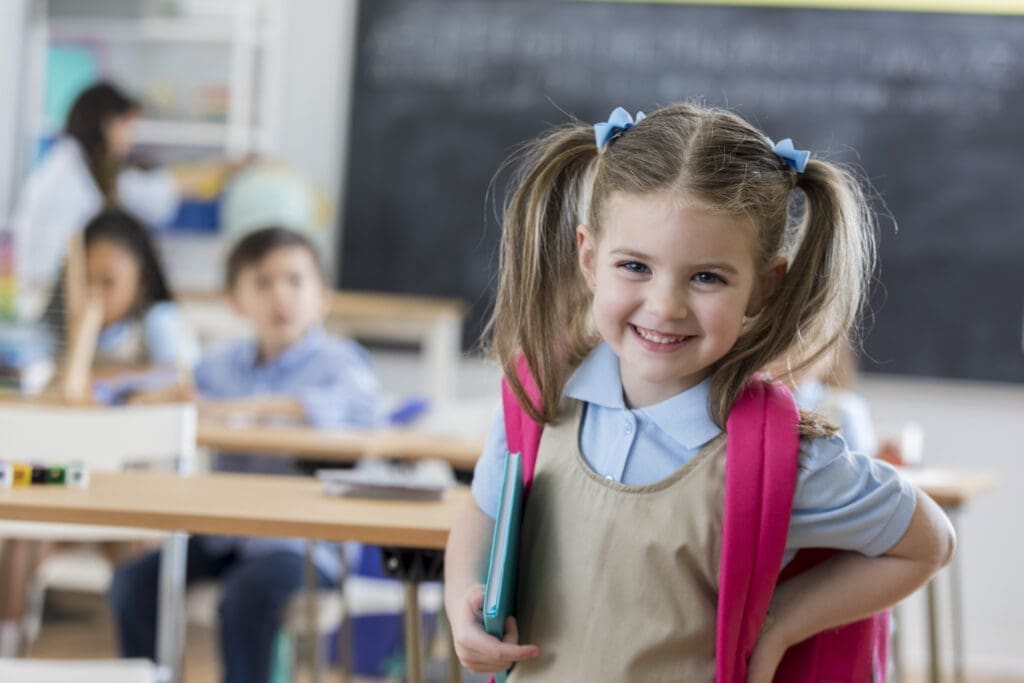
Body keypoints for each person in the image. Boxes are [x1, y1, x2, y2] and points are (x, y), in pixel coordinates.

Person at [444, 104, 955, 681]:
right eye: (635, 265)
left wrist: (779, 624)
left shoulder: (781, 459)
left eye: (707, 277)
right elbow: (483, 512)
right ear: (589, 259)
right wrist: (464, 595)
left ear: (765, 287)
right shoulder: (540, 395)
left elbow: (928, 542)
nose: (665, 306)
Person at [108, 226, 380, 683]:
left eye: (295, 280)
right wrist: (151, 397)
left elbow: (346, 410)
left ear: (322, 297)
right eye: (262, 282)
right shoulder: (221, 364)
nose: (281, 295)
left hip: (304, 545)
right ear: (235, 301)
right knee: (133, 584)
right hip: (225, 536)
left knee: (245, 595)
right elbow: (146, 391)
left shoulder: (341, 363)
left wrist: (227, 411)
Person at [43, 208, 198, 370]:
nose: (93, 292)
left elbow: (183, 379)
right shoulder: (61, 331)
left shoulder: (161, 321)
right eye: (84, 280)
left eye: (108, 282)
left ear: (141, 283)